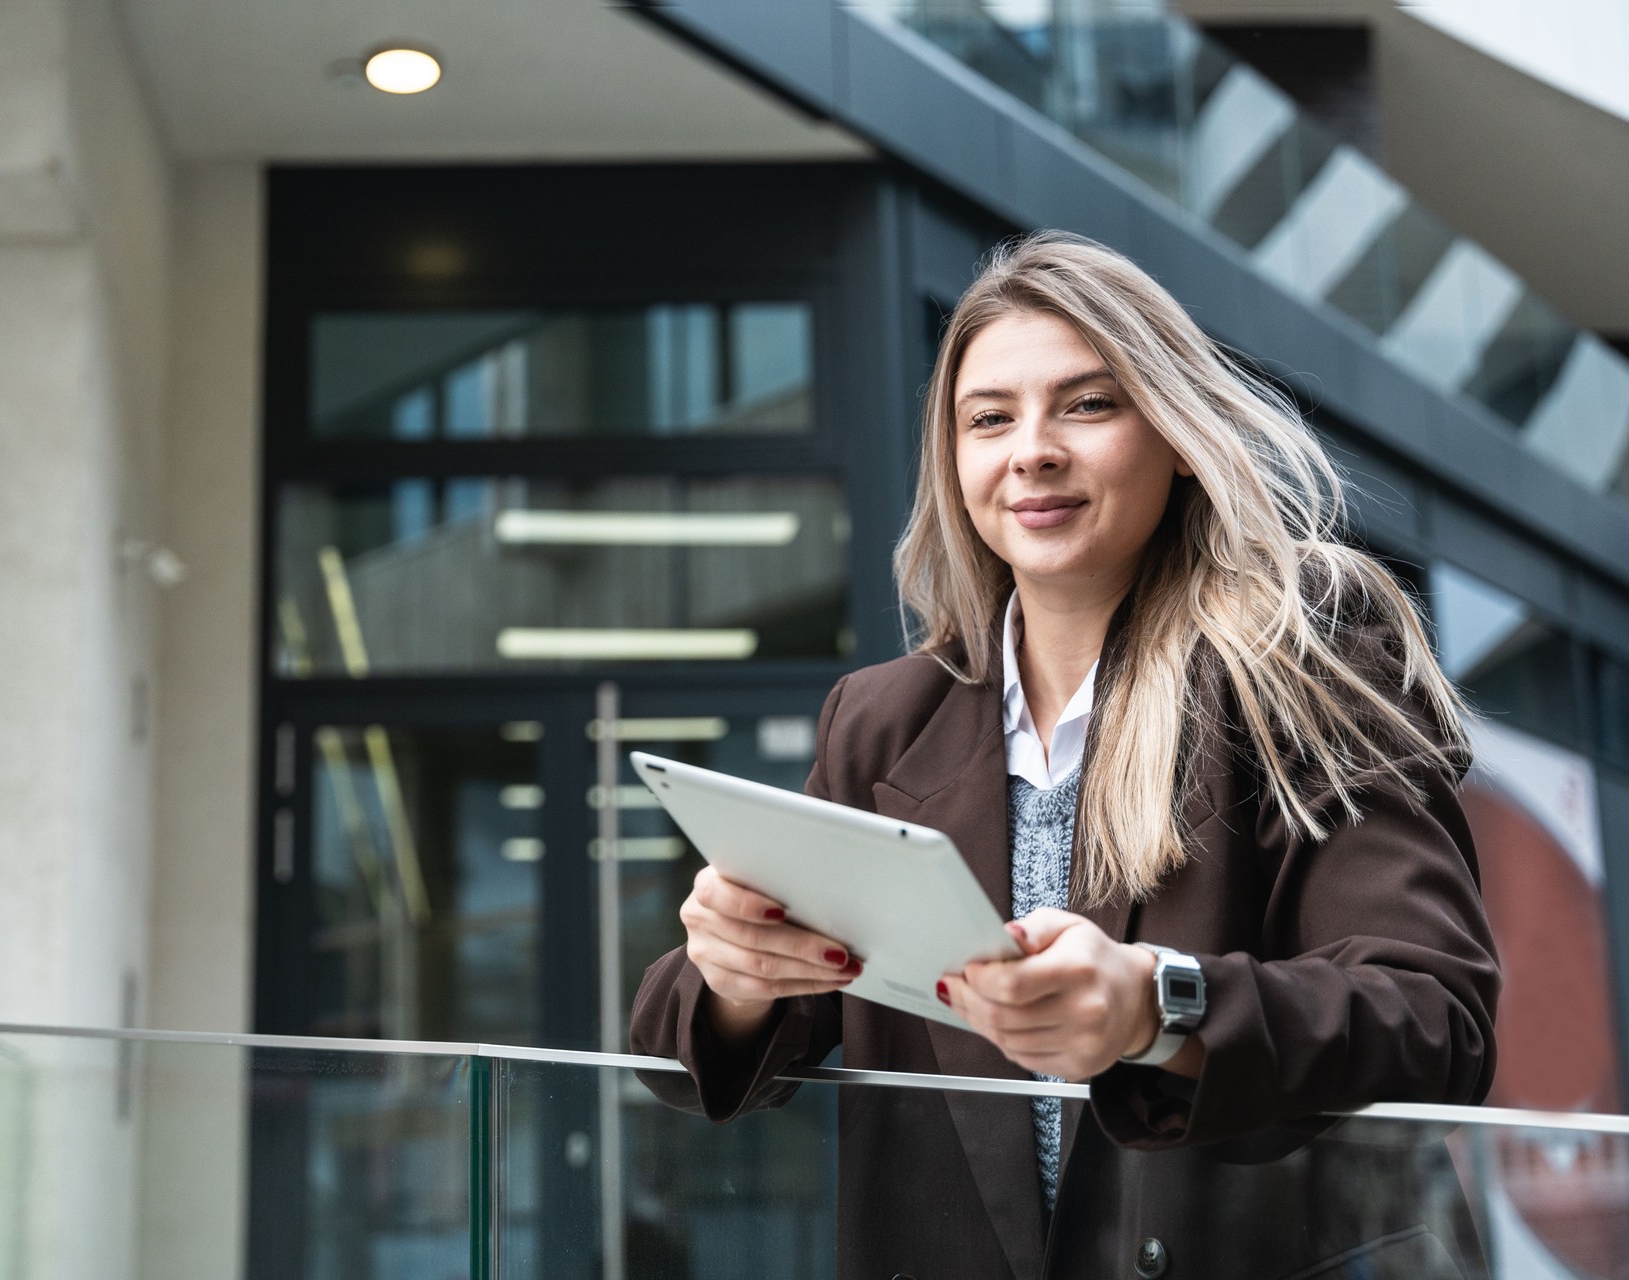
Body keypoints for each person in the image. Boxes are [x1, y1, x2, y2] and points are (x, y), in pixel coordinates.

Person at [630, 231, 1501, 1279]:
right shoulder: (882, 719)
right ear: (955, 463)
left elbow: (1432, 1018)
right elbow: (686, 1053)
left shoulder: (1304, 655)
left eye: (1087, 405)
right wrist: (735, 974)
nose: (1032, 449)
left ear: (1177, 434)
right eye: (989, 417)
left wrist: (1158, 1007)